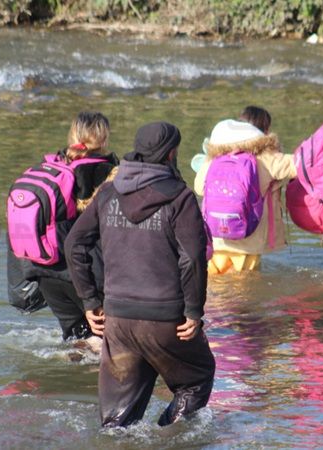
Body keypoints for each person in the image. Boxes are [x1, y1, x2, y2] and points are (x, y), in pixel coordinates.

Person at [65, 121, 215, 428]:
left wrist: (90, 301)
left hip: (117, 322)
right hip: (167, 321)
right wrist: (193, 312)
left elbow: (74, 243)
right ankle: (169, 438)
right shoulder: (181, 198)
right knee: (196, 379)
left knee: (116, 423)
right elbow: (192, 259)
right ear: (171, 153)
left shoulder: (107, 193)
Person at [6, 112, 118, 348]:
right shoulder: (106, 172)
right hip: (84, 277)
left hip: (44, 274)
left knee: (77, 343)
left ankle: (67, 385)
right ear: (104, 139)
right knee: (108, 346)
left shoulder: (51, 167)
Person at [194, 107, 296, 274]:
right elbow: (302, 165)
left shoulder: (215, 157)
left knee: (216, 291)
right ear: (265, 132)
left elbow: (199, 188)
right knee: (243, 292)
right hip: (248, 245)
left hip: (216, 242)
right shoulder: (266, 158)